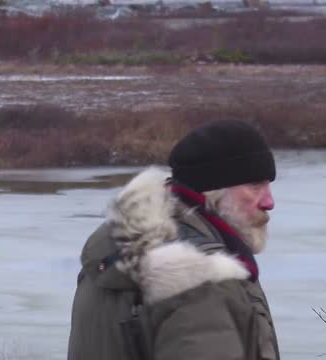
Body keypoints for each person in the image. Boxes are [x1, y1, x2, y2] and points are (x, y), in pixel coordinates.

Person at [67, 120, 280, 360]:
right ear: (213, 191)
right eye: (254, 185)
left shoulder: (110, 251)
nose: (269, 202)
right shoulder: (200, 282)